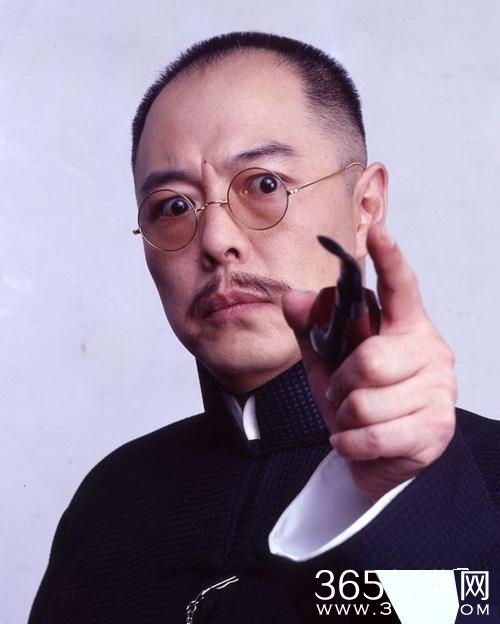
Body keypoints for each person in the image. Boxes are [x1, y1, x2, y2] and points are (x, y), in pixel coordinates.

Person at [29, 32, 500, 623]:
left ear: (365, 208)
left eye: (264, 184)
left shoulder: (488, 474)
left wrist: (400, 490)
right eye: (173, 207)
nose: (216, 240)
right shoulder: (111, 502)